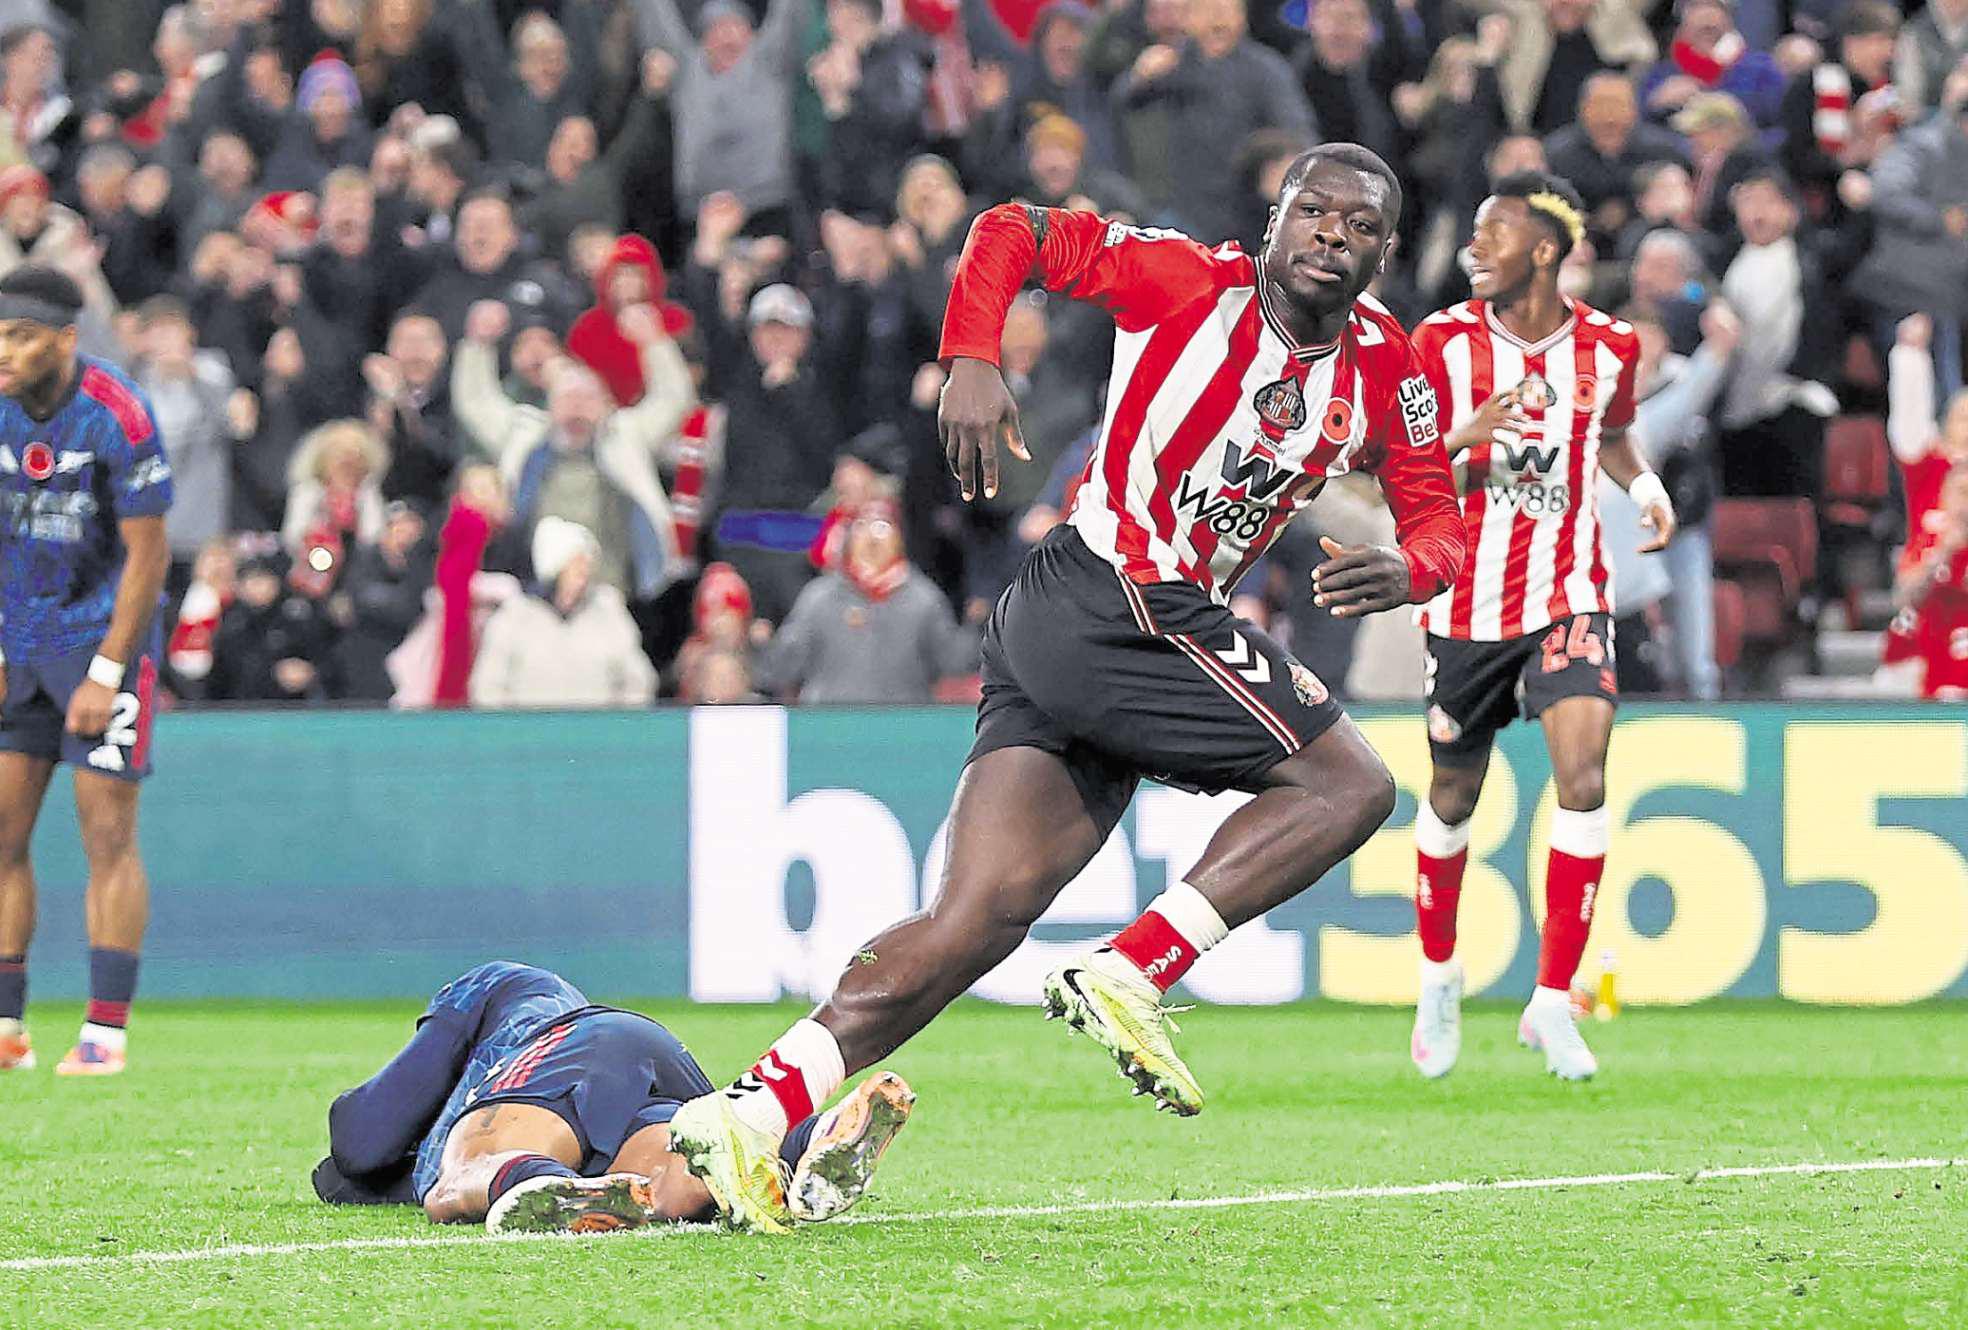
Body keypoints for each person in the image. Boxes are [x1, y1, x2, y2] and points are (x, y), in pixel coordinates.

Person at [661, 144, 1466, 1233]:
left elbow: (1437, 517)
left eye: (1361, 226)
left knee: (971, 920)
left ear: (1383, 252)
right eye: (1314, 211)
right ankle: (1137, 968)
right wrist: (972, 355)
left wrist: (1413, 568)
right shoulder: (1184, 279)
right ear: (1274, 221)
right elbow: (1011, 231)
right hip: (1118, 595)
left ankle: (750, 1111)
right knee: (1350, 785)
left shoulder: (1391, 368)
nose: (1334, 234)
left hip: (1098, 625)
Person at [1406, 172, 1676, 1082]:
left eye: (1493, 234)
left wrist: (1643, 485)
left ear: (1547, 250)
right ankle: (1439, 977)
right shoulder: (1439, 340)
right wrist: (1462, 435)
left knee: (1585, 775)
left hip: (1569, 593)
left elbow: (1611, 431)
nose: (1473, 249)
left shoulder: (1609, 344)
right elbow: (1385, 459)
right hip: (1466, 606)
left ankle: (1552, 1002)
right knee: (1452, 799)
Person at [312, 960, 914, 1234]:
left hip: (576, 1045)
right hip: (653, 1074)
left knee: (463, 1175)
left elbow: (361, 1138)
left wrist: (346, 1175)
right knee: (667, 1186)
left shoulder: (499, 989)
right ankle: (811, 1140)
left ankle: (526, 1180)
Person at [0, 265, 173, 1078]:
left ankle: (105, 1032)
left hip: (100, 640)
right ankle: (8, 1027)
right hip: (18, 641)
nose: (5, 351)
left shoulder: (118, 413)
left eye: (22, 336)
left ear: (65, 341)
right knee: (3, 834)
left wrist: (108, 669)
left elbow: (148, 555)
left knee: (106, 833)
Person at [754, 498, 978, 702]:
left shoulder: (923, 599)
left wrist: (975, 627)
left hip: (902, 727)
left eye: (882, 529)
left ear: (900, 539)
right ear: (849, 540)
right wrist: (763, 645)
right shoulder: (820, 597)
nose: (872, 539)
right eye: (862, 527)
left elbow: (954, 665)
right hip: (829, 727)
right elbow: (783, 669)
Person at [467, 517, 658, 709]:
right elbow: (487, 688)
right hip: (529, 735)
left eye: (587, 564)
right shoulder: (514, 616)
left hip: (598, 734)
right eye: (575, 564)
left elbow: (639, 682)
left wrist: (618, 727)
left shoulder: (608, 612)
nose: (583, 572)